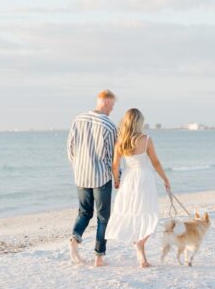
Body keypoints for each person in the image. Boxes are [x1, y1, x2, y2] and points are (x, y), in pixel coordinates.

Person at [105, 108, 171, 267]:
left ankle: (139, 246)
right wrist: (166, 179)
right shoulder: (146, 139)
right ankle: (140, 244)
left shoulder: (120, 140)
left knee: (134, 212)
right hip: (144, 179)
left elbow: (115, 165)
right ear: (139, 122)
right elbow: (156, 163)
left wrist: (116, 181)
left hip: (128, 179)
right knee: (150, 214)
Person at [67, 89, 118, 267]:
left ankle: (75, 239)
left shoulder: (77, 119)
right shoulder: (109, 126)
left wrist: (78, 167)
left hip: (80, 175)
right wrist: (117, 177)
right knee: (103, 217)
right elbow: (113, 157)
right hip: (101, 177)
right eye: (112, 106)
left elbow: (70, 148)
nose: (112, 110)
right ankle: (99, 257)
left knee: (84, 212)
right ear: (105, 103)